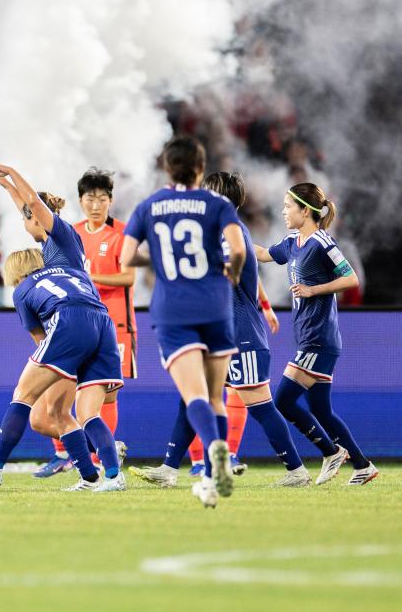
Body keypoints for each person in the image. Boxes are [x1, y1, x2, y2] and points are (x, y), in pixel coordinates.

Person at [131, 172, 313, 488]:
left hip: (241, 335)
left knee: (260, 406)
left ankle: (297, 470)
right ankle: (169, 469)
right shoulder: (218, 233)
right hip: (217, 335)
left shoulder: (232, 235)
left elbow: (222, 277)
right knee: (192, 399)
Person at [0, 163, 125, 492]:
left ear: (38, 218)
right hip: (100, 322)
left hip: (70, 323)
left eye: (27, 219)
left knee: (23, 396)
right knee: (72, 412)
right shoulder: (55, 258)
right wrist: (5, 185)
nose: (24, 223)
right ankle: (102, 476)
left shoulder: (61, 239)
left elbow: (33, 203)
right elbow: (28, 206)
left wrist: (10, 172)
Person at [120, 136, 245, 508]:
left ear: (167, 168)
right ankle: (210, 479)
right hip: (216, 305)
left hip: (173, 310)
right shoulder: (218, 203)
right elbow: (238, 249)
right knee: (216, 397)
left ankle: (215, 449)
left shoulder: (149, 206)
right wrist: (233, 271)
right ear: (200, 168)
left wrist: (161, 257)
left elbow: (127, 257)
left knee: (194, 397)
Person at [254, 182, 378, 485]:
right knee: (322, 411)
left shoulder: (322, 243)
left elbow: (351, 278)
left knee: (283, 400)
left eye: (288, 206)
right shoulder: (292, 242)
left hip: (319, 339)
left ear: (305, 210)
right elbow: (264, 254)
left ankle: (331, 452)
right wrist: (233, 241)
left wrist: (314, 289)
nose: (283, 211)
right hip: (310, 337)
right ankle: (362, 466)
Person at [36, 169, 134, 478]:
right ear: (80, 201)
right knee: (63, 384)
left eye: (102, 199)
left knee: (107, 393)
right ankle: (64, 453)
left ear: (110, 201)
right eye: (90, 198)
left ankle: (101, 455)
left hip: (115, 323)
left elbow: (129, 277)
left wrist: (89, 278)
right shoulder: (70, 233)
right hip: (76, 324)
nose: (96, 205)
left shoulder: (123, 233)